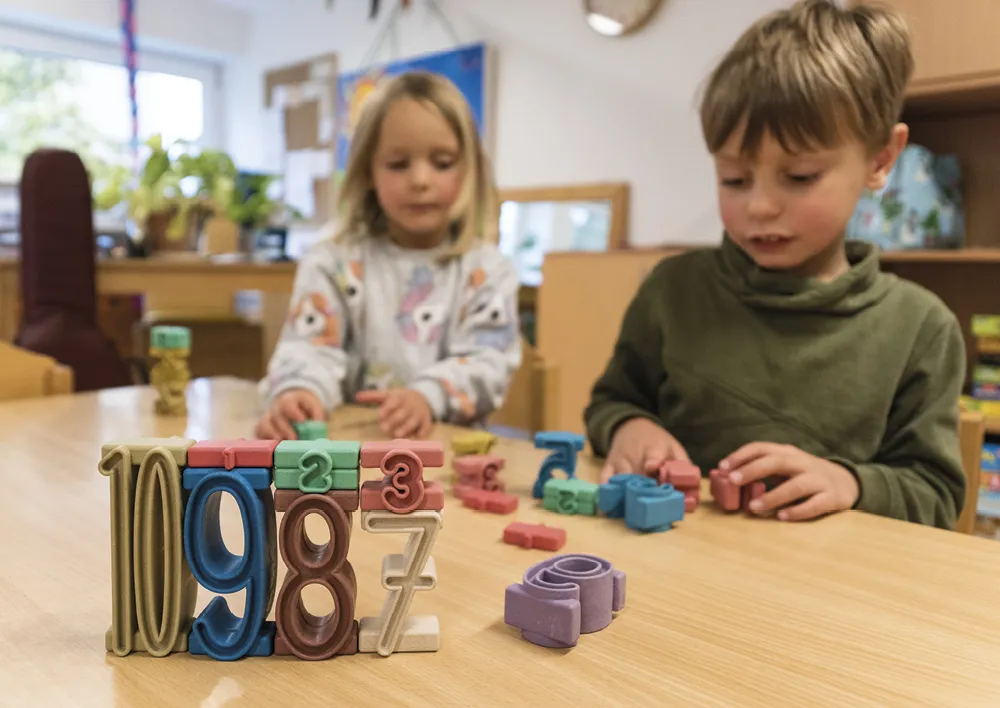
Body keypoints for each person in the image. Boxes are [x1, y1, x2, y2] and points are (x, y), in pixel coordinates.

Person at [584, 0, 966, 529]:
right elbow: (613, 400)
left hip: (826, 592)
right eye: (734, 180)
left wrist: (851, 483)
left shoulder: (921, 328)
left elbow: (935, 496)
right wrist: (628, 427)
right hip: (674, 572)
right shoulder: (672, 291)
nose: (759, 206)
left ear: (880, 159)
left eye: (801, 175)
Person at [255, 71, 521, 441]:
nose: (420, 180)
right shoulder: (333, 261)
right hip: (349, 456)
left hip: (449, 459)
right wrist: (298, 392)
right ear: (368, 171)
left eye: (442, 162)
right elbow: (309, 349)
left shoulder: (489, 270)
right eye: (398, 164)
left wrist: (426, 397)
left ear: (469, 170)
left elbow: (487, 363)